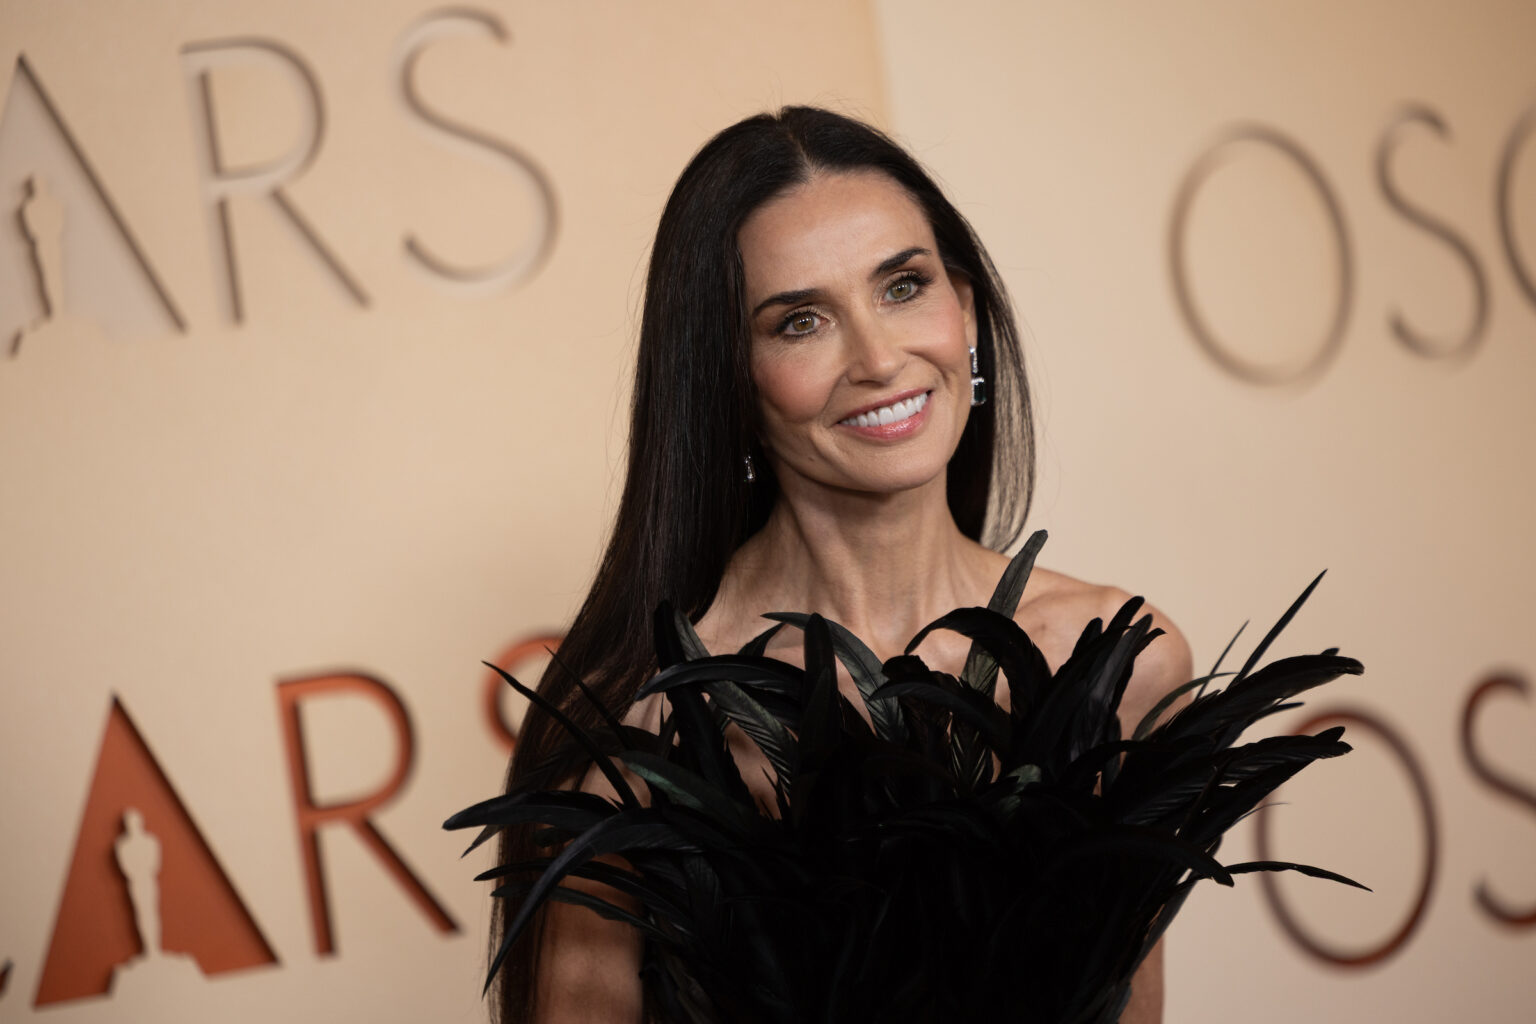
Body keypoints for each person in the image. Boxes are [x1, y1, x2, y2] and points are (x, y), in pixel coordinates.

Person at [494, 106, 1192, 1024]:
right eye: (801, 322)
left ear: (967, 312)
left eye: (903, 286)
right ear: (729, 378)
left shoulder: (1117, 664)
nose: (878, 358)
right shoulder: (639, 731)